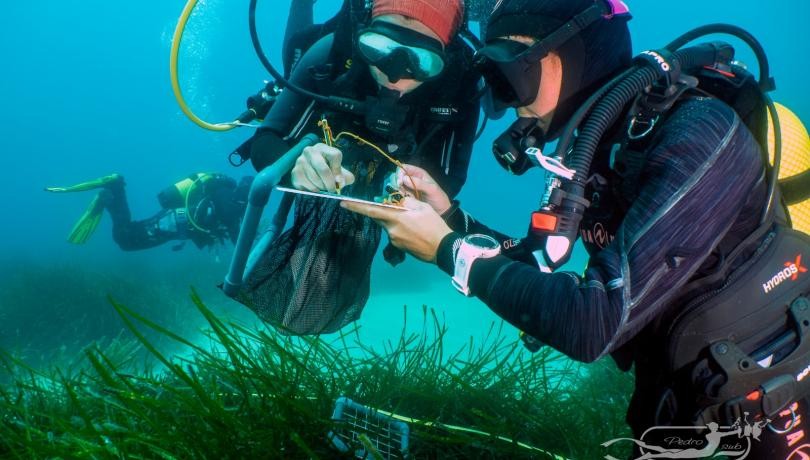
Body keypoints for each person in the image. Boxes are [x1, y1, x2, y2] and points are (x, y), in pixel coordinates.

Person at [342, 0, 810, 457]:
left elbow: (593, 324)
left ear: (577, 56)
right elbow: (540, 271)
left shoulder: (698, 134)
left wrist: (447, 250)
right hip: (690, 402)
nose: (506, 102)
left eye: (512, 75)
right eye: (494, 83)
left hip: (777, 406)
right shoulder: (602, 152)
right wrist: (451, 220)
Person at [233, 0, 482, 335]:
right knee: (295, 48)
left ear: (445, 56)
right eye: (379, 46)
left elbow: (450, 178)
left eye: (421, 59)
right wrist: (296, 166)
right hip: (323, 90)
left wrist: (408, 186)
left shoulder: (460, 85)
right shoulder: (330, 55)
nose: (395, 72)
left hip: (403, 156)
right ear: (363, 32)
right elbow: (268, 139)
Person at [46, 173, 252, 251]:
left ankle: (115, 191)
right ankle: (115, 188)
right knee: (125, 238)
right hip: (174, 222)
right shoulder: (233, 199)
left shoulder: (228, 196)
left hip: (174, 222)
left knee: (127, 236)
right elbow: (232, 225)